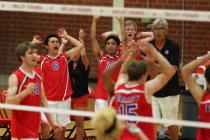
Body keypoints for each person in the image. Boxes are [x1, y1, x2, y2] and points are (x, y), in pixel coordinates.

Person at [102, 41, 176, 140]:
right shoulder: (145, 90)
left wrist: (132, 53)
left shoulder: (119, 87)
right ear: (144, 75)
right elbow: (170, 71)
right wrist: (153, 51)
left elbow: (123, 69)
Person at [33, 28, 84, 140]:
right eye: (52, 42)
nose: (56, 43)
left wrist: (66, 36)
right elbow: (24, 53)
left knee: (60, 128)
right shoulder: (42, 59)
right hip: (47, 100)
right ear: (46, 46)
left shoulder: (64, 58)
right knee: (45, 124)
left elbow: (80, 46)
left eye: (57, 41)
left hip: (63, 100)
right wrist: (33, 43)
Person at [6, 42, 60, 140]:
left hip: (34, 131)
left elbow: (43, 100)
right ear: (22, 57)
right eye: (30, 53)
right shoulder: (16, 76)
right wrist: (25, 92)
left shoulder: (38, 74)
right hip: (20, 133)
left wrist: (52, 122)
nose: (35, 55)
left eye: (36, 52)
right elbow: (8, 102)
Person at [150, 18, 181, 140]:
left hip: (170, 92)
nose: (158, 32)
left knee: (170, 124)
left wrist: (154, 65)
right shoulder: (149, 46)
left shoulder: (174, 47)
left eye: (161, 29)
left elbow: (172, 70)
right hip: (153, 91)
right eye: (156, 29)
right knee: (151, 122)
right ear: (152, 31)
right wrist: (163, 67)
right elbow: (147, 67)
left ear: (166, 31)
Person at [90, 16, 122, 112]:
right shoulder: (101, 57)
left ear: (117, 47)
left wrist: (121, 22)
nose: (110, 46)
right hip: (101, 96)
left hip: (115, 95)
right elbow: (92, 38)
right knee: (101, 125)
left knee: (114, 125)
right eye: (108, 43)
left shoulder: (120, 59)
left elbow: (124, 40)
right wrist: (94, 20)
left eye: (113, 43)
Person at [181, 53, 210, 140]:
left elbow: (185, 71)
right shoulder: (203, 98)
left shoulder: (203, 99)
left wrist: (207, 57)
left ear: (207, 83)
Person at [68, 29, 90, 140]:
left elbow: (84, 54)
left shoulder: (85, 64)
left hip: (80, 97)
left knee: (79, 123)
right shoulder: (68, 64)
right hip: (67, 97)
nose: (75, 54)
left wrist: (81, 40)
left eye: (77, 52)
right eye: (73, 52)